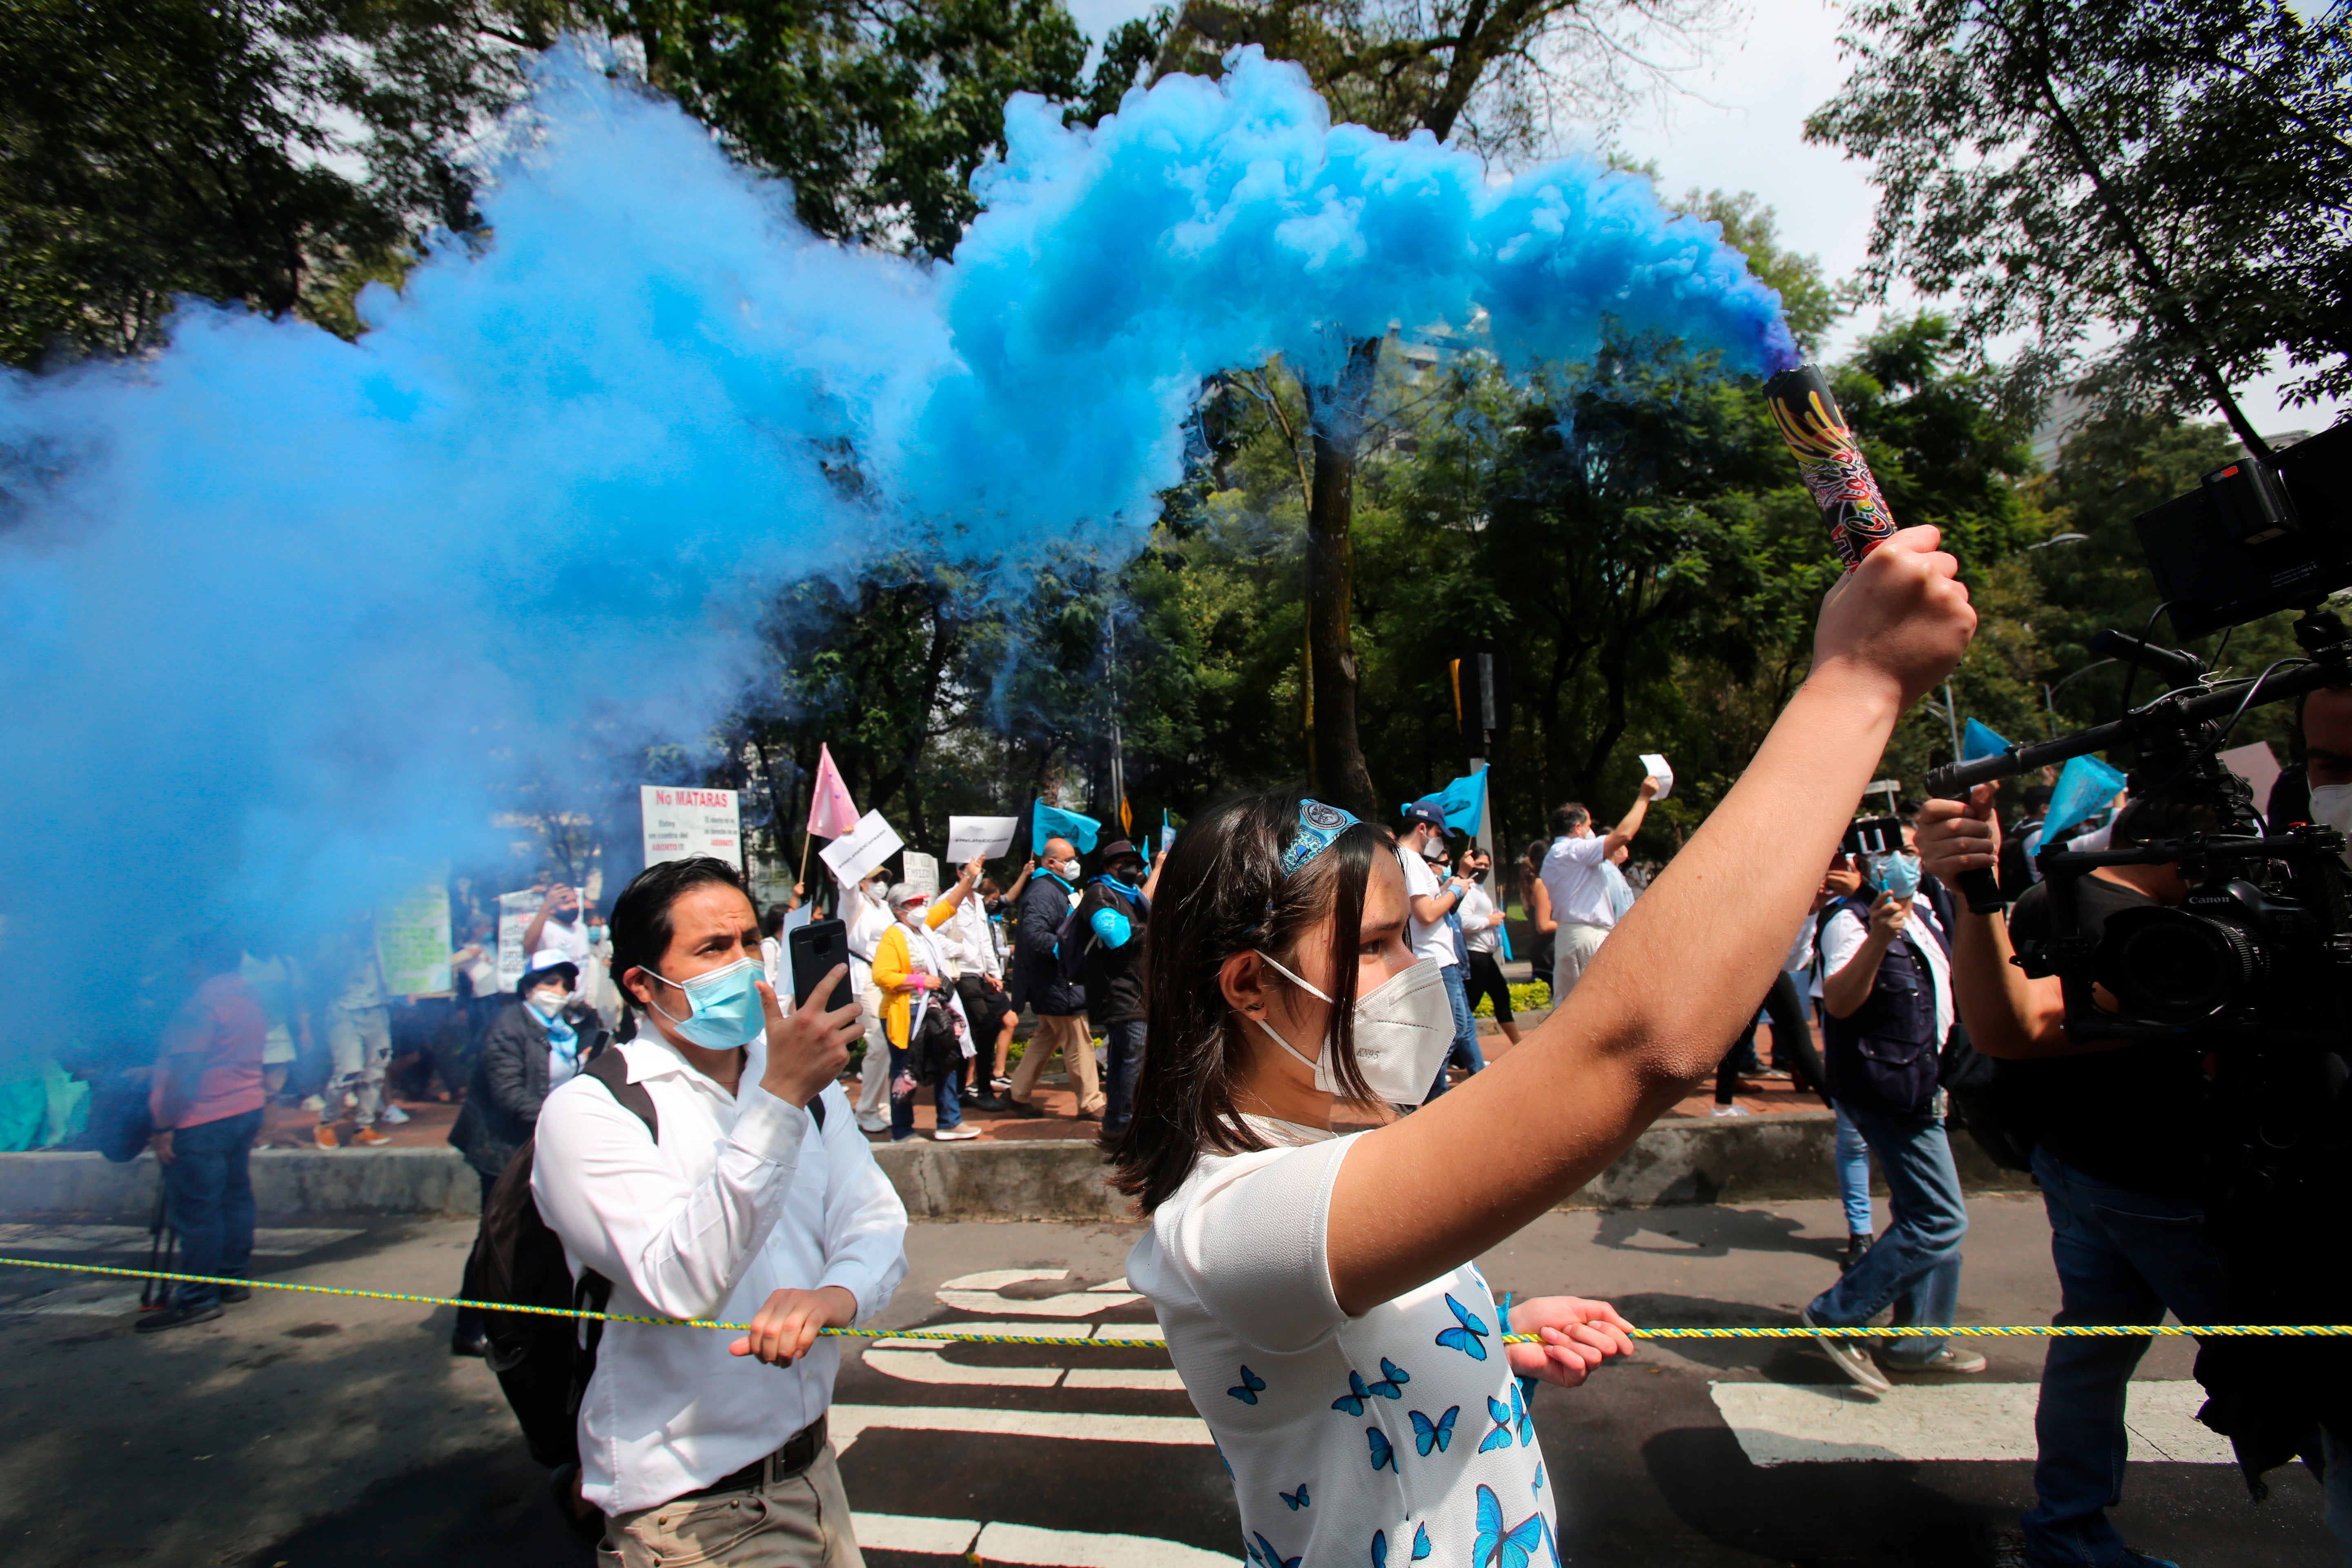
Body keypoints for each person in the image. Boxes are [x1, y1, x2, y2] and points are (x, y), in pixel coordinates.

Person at [1108, 528, 1974, 1568]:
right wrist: (1857, 679)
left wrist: (1487, 1334)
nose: (1418, 968)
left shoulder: (1323, 1164)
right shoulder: (1229, 1221)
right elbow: (1630, 1048)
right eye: (1379, 944)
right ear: (1247, 983)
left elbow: (1340, 1359)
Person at [1918, 777, 2350, 1568]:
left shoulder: (2052, 898)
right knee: (2293, 1370)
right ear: (2198, 855)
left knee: (2091, 1352)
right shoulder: (2162, 936)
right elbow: (2017, 1024)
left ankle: (2068, 1528)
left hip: (2074, 1176)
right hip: (2169, 1197)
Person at [532, 854, 908, 1564]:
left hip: (813, 1470)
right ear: (643, 985)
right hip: (692, 1514)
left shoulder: (805, 1086)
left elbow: (875, 1219)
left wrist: (836, 1295)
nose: (744, 965)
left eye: (750, 943)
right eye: (712, 949)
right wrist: (779, 1102)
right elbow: (681, 1283)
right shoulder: (594, 1111)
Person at [1802, 825, 1980, 1390]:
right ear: (1865, 863)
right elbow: (1841, 1000)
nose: (1904, 860)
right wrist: (1878, 939)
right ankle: (1837, 1315)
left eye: (1909, 848)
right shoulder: (1849, 922)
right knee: (1939, 1219)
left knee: (1926, 1213)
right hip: (1888, 1088)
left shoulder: (1926, 912)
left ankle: (1919, 1341)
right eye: (1892, 851)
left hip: (1925, 1083)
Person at [447, 949, 612, 1356]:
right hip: (501, 1149)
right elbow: (510, 1096)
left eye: (563, 984)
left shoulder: (562, 1028)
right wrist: (564, 1115)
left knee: (542, 1235)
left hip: (541, 1142)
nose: (557, 991)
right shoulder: (508, 1028)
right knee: (497, 1235)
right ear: (528, 987)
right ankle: (470, 1326)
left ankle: (532, 1316)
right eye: (548, 983)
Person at [140, 935, 270, 1333]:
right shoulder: (250, 994)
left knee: (199, 1212)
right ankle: (233, 1279)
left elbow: (188, 1075)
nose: (182, 968)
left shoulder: (199, 1006)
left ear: (202, 963)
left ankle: (198, 1299)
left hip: (203, 1118)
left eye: (188, 960)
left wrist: (163, 1126)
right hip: (245, 1106)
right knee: (234, 1197)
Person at [1004, 837, 1102, 1120]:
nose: (1075, 864)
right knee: (1079, 1041)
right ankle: (1091, 1103)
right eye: (1069, 859)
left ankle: (1017, 1093)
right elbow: (1036, 938)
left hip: (1057, 984)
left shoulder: (1053, 889)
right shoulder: (1044, 892)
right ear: (1051, 862)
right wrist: (1073, 951)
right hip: (1060, 984)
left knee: (1045, 1039)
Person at [872, 883, 978, 1142]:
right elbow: (882, 975)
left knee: (947, 1060)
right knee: (904, 1070)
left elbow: (949, 906)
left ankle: (950, 1122)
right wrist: (920, 982)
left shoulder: (923, 928)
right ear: (898, 910)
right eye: (913, 903)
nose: (920, 907)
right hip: (905, 1012)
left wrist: (970, 878)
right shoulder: (894, 936)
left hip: (932, 1009)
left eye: (922, 902)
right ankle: (903, 1131)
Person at [1537, 777, 1662, 999]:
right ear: (1577, 828)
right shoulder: (1575, 851)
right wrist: (1644, 798)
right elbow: (1623, 835)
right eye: (1588, 826)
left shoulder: (1553, 857)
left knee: (1568, 1008)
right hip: (1589, 935)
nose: (1591, 831)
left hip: (1569, 934)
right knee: (1604, 1002)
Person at [1394, 802, 1482, 1100]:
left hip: (1441, 959)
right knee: (1450, 1033)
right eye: (1438, 834)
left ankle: (1477, 1085)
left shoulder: (1409, 859)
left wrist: (1454, 883)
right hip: (1436, 961)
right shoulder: (1410, 860)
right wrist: (1456, 891)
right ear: (1423, 829)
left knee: (1463, 1028)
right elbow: (1427, 914)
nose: (1440, 841)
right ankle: (1431, 1098)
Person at [1077, 838, 1162, 1140]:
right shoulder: (1099, 893)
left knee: (1123, 1056)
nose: (1131, 868)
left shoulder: (1136, 896)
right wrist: (1160, 927)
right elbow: (1117, 936)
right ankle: (1124, 1122)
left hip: (1138, 987)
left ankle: (1117, 1120)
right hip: (1117, 989)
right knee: (1132, 1054)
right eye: (1123, 863)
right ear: (1107, 868)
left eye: (1135, 863)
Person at [314, 914, 395, 1148]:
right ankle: (326, 1123)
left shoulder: (384, 938)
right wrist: (347, 947)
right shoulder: (332, 941)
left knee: (377, 1070)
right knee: (349, 1070)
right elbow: (324, 976)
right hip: (344, 1012)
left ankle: (364, 1126)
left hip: (377, 1009)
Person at [843, 869, 896, 1135]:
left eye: (883, 879)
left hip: (884, 979)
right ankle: (865, 1110)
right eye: (874, 879)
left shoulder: (885, 908)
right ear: (861, 881)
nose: (880, 884)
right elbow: (846, 888)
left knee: (889, 1042)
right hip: (863, 978)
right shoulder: (856, 903)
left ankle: (883, 1107)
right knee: (879, 1043)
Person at [1454, 847, 1518, 1047]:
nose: (1483, 869)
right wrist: (1489, 920)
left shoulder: (1479, 889)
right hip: (1475, 955)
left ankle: (1519, 1044)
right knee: (1470, 1005)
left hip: (1486, 955)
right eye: (1479, 864)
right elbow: (1464, 922)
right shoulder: (1468, 888)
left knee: (1501, 996)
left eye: (1487, 866)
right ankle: (1454, 1053)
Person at [521, 882, 595, 972]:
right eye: (567, 903)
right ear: (552, 909)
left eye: (575, 901)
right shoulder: (544, 930)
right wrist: (545, 908)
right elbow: (528, 947)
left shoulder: (582, 929)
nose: (574, 906)